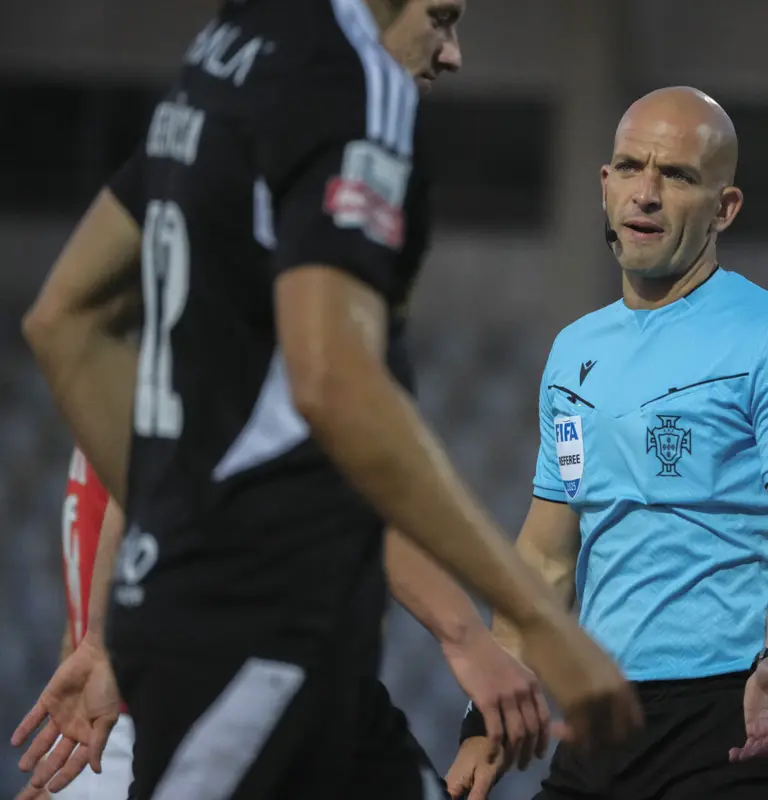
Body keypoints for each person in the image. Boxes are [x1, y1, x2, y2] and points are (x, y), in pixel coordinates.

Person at [10, 0, 641, 797]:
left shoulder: (228, 55)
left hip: (263, 637)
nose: (453, 55)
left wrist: (180, 544)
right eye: (441, 18)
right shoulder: (354, 83)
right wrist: (547, 628)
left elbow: (61, 321)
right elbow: (337, 390)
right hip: (260, 639)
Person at [444, 86, 768, 800]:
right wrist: (489, 714)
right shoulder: (573, 353)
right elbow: (545, 552)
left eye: (679, 176)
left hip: (733, 715)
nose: (647, 194)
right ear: (605, 186)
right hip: (602, 717)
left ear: (725, 207)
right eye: (631, 167)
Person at [15, 449, 133, 800]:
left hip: (133, 715)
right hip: (101, 719)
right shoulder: (93, 426)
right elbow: (78, 599)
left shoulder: (135, 414)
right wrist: (60, 745)